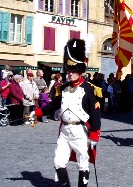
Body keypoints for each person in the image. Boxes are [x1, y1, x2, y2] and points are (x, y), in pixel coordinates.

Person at [30, 38, 101, 187]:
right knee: (58, 162)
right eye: (69, 71)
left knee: (83, 163)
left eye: (73, 71)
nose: (70, 74)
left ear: (80, 71)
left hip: (80, 131)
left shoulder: (88, 89)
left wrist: (94, 134)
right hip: (64, 131)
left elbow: (95, 115)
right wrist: (36, 112)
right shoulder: (62, 89)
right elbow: (52, 106)